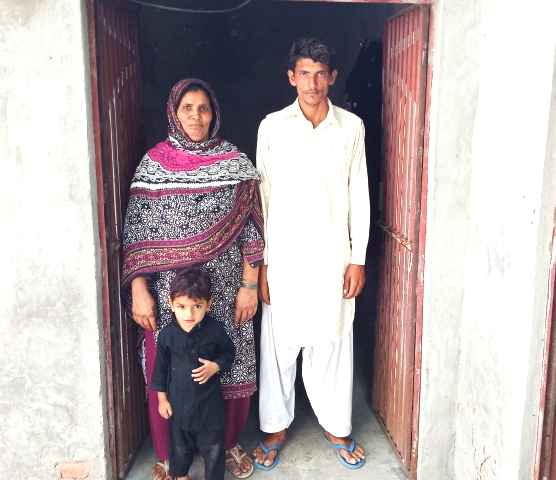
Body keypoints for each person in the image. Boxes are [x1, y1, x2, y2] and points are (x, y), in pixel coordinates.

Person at [122, 78, 263, 480]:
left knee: (228, 363)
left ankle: (230, 442)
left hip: (225, 291)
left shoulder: (237, 163)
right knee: (168, 367)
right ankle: (170, 455)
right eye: (188, 108)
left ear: (214, 113)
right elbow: (136, 235)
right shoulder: (152, 166)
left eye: (203, 108)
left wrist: (249, 287)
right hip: (171, 297)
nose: (196, 116)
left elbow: (254, 229)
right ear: (174, 112)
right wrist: (139, 290)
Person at [252, 37, 370, 470]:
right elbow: (261, 197)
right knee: (280, 340)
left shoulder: (351, 128)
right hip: (283, 254)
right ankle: (275, 425)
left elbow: (359, 194)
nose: (313, 82)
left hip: (332, 254)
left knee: (333, 337)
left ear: (333, 77)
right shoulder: (272, 127)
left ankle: (336, 424)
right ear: (291, 77)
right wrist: (260, 264)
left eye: (321, 73)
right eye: (305, 73)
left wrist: (358, 257)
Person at [149, 268, 235, 480]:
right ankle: (180, 476)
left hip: (210, 407)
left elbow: (228, 352)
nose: (189, 314)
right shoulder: (167, 336)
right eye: (182, 307)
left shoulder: (214, 330)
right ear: (171, 305)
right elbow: (160, 369)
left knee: (214, 448)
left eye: (197, 306)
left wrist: (216, 366)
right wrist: (162, 400)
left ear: (208, 304)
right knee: (179, 446)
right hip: (179, 406)